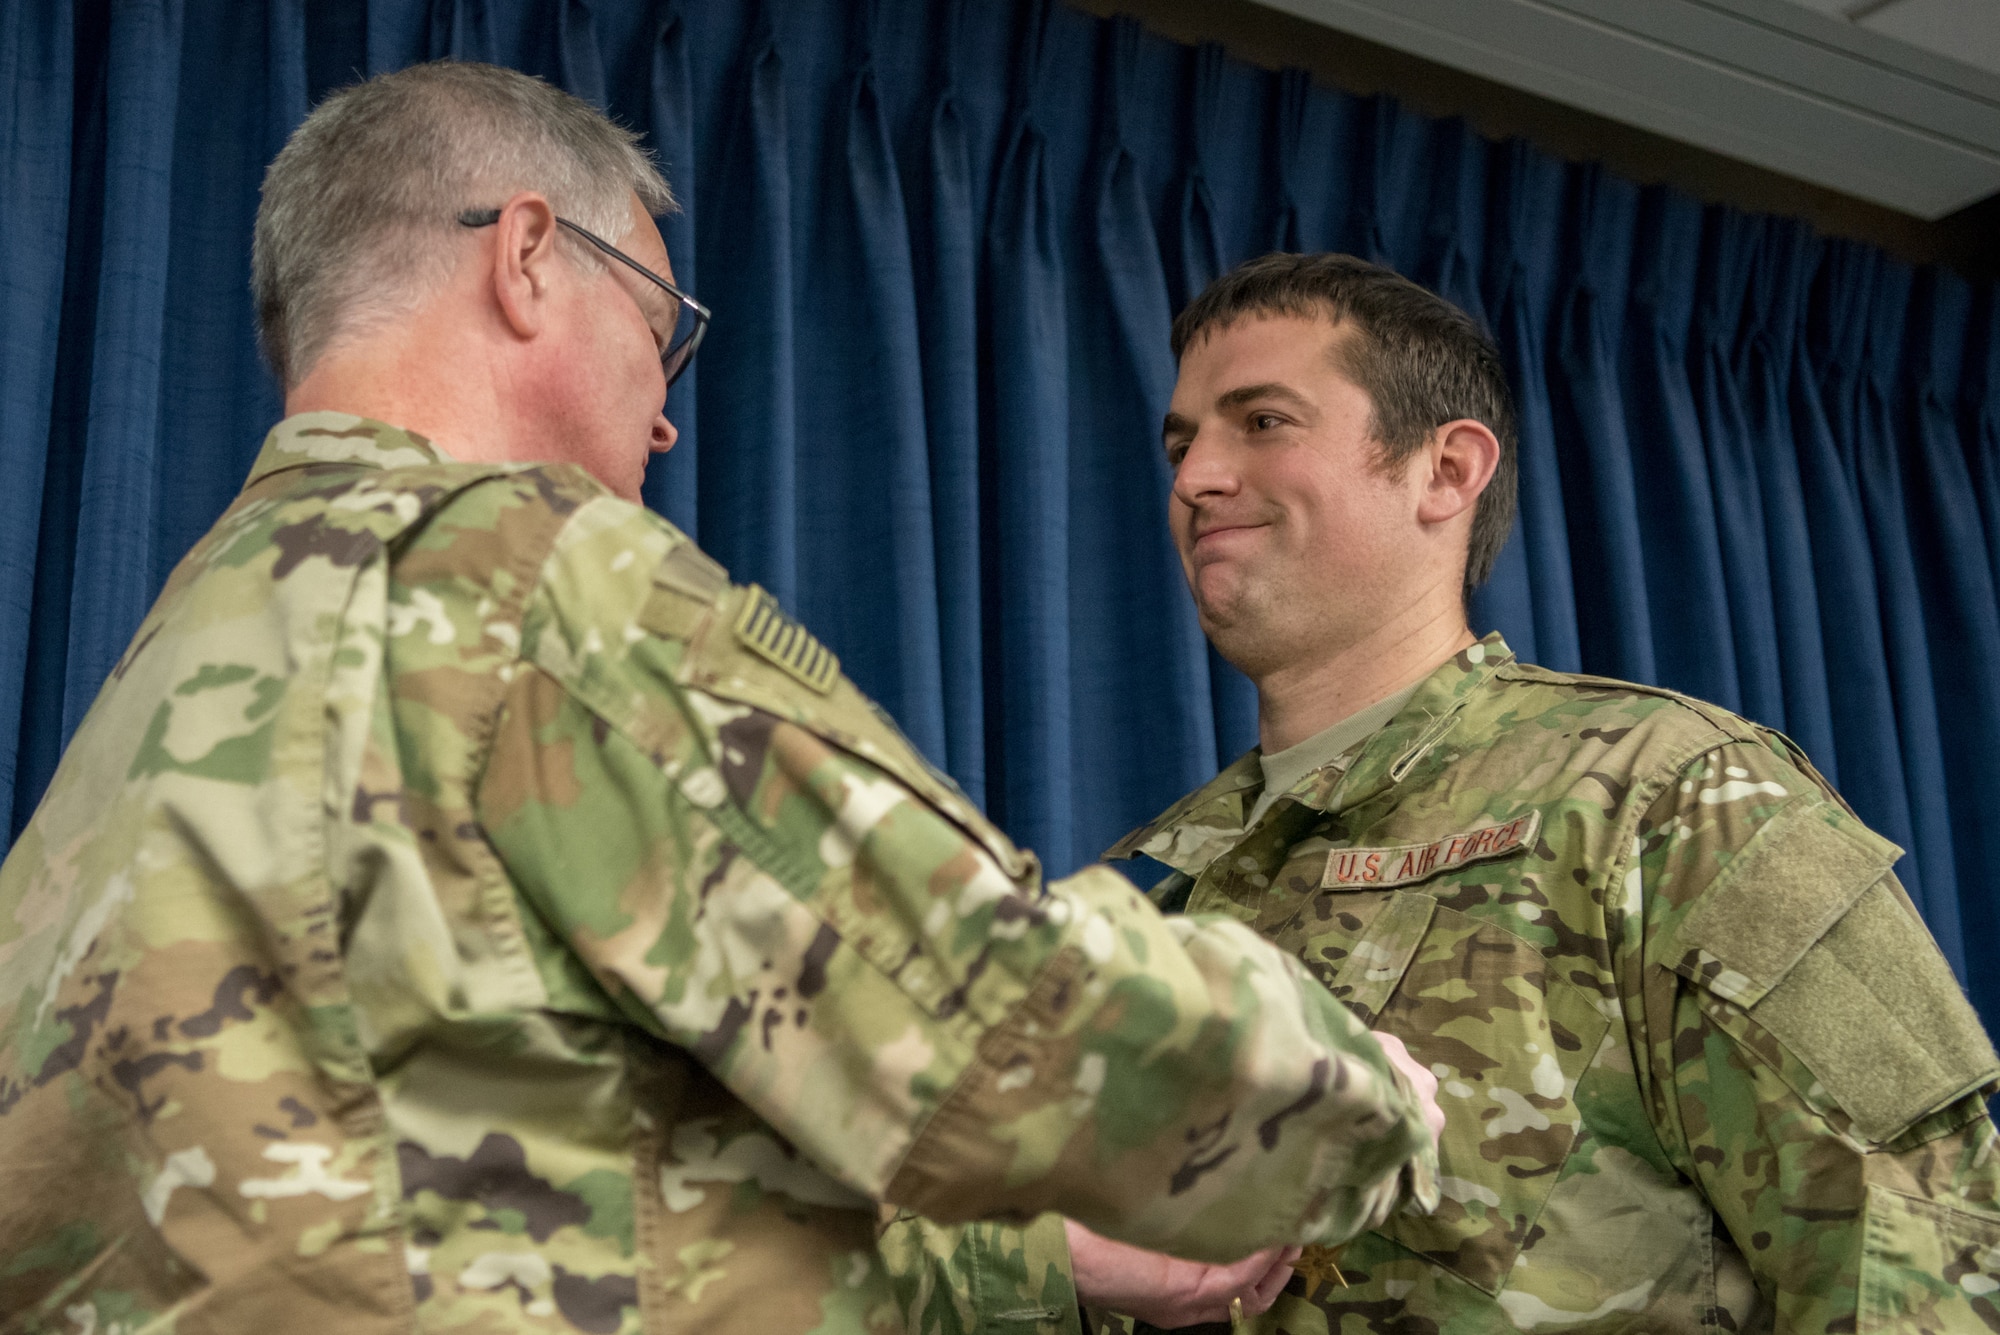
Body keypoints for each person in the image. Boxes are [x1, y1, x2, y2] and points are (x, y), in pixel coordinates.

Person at [0, 68, 1449, 1334]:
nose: (669, 409)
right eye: (660, 325)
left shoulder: (174, 676)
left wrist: (1030, 1251)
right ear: (525, 258)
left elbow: (493, 1170)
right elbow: (992, 1006)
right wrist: (1357, 1095)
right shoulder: (514, 571)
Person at [906, 250, 2000, 1333]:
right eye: (1182, 442)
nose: (1194, 478)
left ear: (1445, 471)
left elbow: (1919, 1267)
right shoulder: (1139, 901)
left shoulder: (1666, 797)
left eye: (1263, 422)